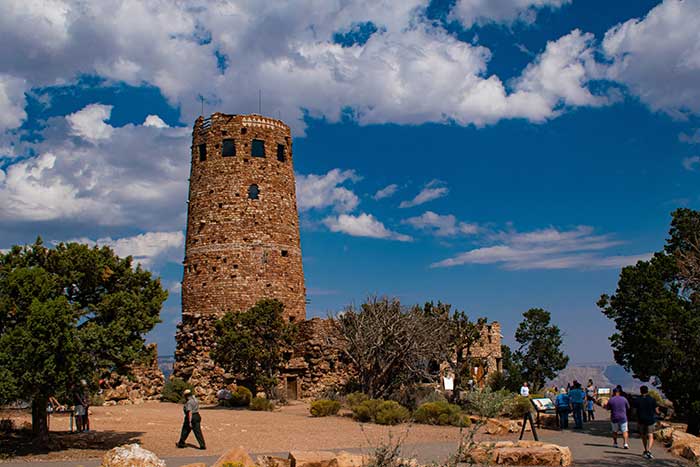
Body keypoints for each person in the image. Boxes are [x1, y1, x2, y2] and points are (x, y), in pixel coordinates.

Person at [635, 385, 659, 459]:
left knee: (643, 435)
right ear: (647, 391)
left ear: (640, 391)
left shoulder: (638, 400)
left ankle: (645, 449)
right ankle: (649, 450)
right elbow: (657, 411)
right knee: (650, 435)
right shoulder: (652, 399)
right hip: (650, 420)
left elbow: (634, 411)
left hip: (641, 420)